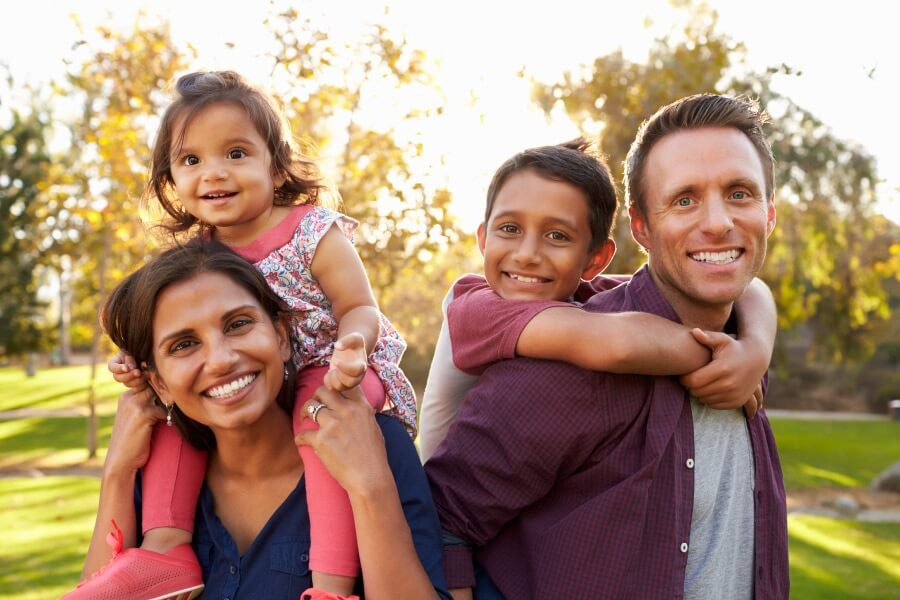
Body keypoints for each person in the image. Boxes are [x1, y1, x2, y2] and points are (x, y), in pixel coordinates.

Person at [425, 94, 789, 599]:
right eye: (684, 199)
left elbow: (753, 290)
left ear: (768, 214)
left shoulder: (744, 345)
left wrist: (754, 347)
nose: (717, 223)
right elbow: (440, 520)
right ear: (642, 226)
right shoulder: (563, 363)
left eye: (740, 193)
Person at [75, 71, 417, 599]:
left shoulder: (312, 232)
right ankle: (166, 549)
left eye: (235, 153)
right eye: (192, 160)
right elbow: (162, 330)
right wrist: (133, 368)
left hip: (335, 369)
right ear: (171, 180)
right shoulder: (199, 255)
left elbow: (359, 307)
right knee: (171, 420)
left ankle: (328, 584)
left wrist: (353, 347)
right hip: (269, 380)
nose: (215, 173)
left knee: (316, 424)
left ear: (276, 165)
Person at [63, 240, 450, 600]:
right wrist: (117, 471)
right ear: (159, 383)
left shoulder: (371, 443)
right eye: (184, 344)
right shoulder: (152, 483)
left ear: (282, 336)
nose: (221, 359)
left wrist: (370, 488)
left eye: (238, 324)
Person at [419, 138, 774, 462]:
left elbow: (752, 288)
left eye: (557, 235)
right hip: (441, 517)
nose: (527, 254)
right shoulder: (475, 306)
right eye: (510, 229)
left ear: (595, 260)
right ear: (483, 238)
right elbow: (620, 343)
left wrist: (755, 349)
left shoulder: (583, 294)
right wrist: (725, 358)